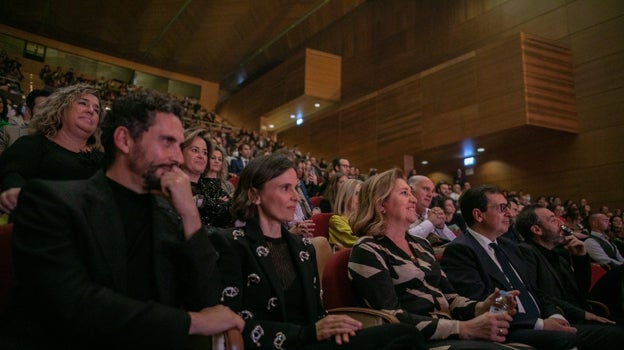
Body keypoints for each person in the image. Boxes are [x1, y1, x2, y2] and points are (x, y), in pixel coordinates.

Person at [1, 89, 244, 349]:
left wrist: (190, 215)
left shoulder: (168, 216)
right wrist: (189, 322)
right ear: (124, 140)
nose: (177, 157)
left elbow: (207, 299)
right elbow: (72, 305)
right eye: (167, 142)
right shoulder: (50, 202)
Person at [210, 155, 425, 349]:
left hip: (312, 340)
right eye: (285, 188)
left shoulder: (303, 248)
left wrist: (334, 326)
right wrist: (306, 333)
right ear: (255, 195)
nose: (295, 197)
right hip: (280, 343)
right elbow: (230, 322)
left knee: (404, 335)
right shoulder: (231, 244)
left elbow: (316, 315)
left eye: (296, 187)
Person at [348, 169, 526, 349]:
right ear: (381, 205)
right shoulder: (367, 249)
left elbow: (451, 298)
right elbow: (390, 316)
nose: (414, 199)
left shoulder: (420, 244)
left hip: (450, 332)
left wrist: (482, 307)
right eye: (404, 193)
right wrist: (462, 328)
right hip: (418, 341)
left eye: (411, 193)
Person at [440, 185, 621, 349]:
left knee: (616, 333)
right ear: (479, 215)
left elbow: (534, 290)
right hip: (510, 330)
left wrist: (554, 316)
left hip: (543, 321)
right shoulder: (461, 250)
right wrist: (539, 324)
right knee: (569, 341)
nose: (510, 214)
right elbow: (482, 304)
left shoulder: (508, 246)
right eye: (503, 208)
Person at [0, 84, 104, 214]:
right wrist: (16, 190)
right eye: (83, 103)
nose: (91, 111)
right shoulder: (33, 144)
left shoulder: (105, 161)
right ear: (60, 109)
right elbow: (11, 173)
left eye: (97, 110)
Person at [516, 204, 619, 327]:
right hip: (563, 321)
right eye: (553, 220)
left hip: (582, 314)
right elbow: (539, 295)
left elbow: (581, 290)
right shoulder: (526, 252)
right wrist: (582, 314)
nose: (561, 224)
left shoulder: (559, 255)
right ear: (537, 230)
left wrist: (579, 258)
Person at [181, 128, 233, 228]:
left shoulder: (211, 184)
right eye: (195, 150)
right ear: (180, 152)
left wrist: (201, 203)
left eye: (205, 152)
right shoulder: (170, 185)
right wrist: (217, 204)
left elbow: (231, 210)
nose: (201, 156)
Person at [407, 175, 456, 246]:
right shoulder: (400, 213)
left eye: (432, 191)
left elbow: (453, 240)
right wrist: (430, 222)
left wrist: (441, 227)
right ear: (411, 190)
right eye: (426, 189)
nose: (430, 195)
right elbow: (406, 239)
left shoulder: (432, 213)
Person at [0, 89, 51, 154]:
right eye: (42, 108)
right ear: (29, 111)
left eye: (52, 107)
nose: (48, 112)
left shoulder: (64, 142)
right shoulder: (8, 133)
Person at [328, 178, 362, 248]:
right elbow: (357, 242)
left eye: (362, 194)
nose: (361, 198)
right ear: (344, 197)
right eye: (357, 194)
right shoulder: (336, 220)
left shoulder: (362, 218)